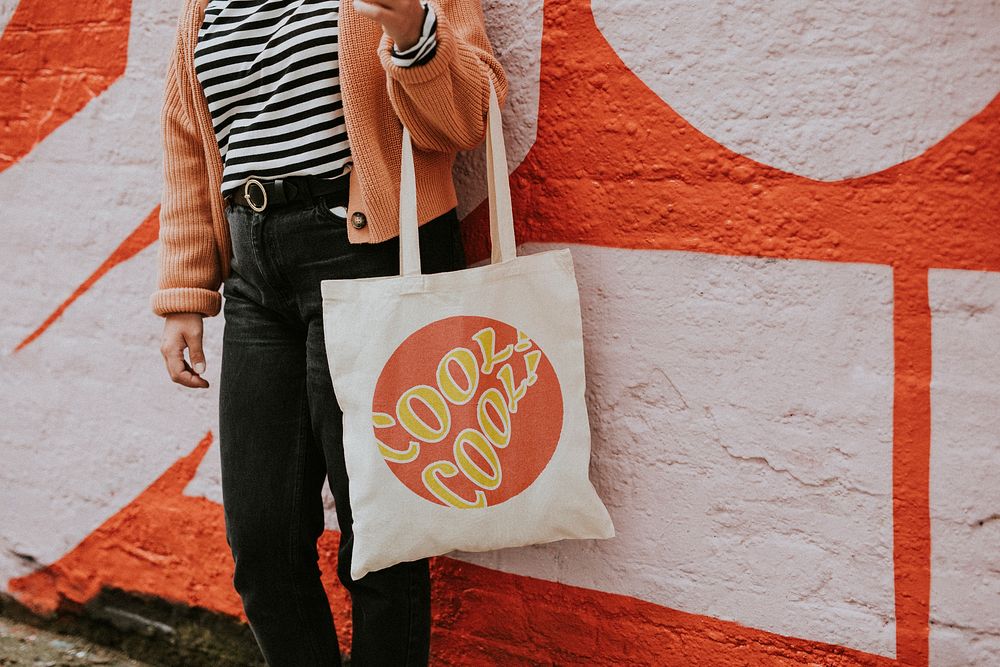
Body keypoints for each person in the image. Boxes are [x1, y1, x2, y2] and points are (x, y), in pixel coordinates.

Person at [150, 0, 508, 664]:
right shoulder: (204, 5)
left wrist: (412, 32)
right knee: (262, 544)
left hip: (370, 255)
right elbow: (187, 142)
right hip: (255, 273)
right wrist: (184, 291)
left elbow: (467, 118)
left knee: (379, 542)